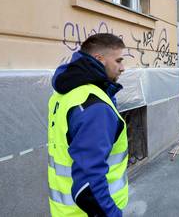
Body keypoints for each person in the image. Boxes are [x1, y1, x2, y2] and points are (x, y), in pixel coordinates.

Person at [48, 33, 129, 216]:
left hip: (64, 210)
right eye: (118, 61)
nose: (123, 68)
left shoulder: (66, 91)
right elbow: (88, 184)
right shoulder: (94, 105)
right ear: (99, 59)